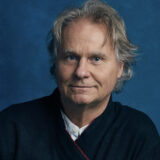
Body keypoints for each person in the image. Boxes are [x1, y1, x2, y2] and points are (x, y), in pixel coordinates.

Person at [0, 0, 159, 159]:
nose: (81, 72)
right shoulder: (12, 126)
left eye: (96, 59)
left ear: (120, 68)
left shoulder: (138, 133)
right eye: (71, 57)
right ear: (56, 63)